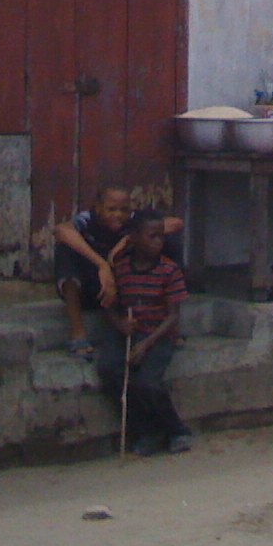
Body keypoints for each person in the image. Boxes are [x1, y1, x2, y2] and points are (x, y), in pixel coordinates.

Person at [97, 209, 194, 456]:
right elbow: (109, 305)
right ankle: (147, 430)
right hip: (129, 332)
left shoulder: (169, 270)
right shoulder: (120, 268)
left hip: (158, 335)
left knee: (148, 383)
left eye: (161, 236)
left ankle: (176, 430)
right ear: (134, 238)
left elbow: (173, 316)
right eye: (152, 237)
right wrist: (119, 323)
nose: (159, 242)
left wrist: (146, 344)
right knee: (110, 371)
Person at [54, 186, 184, 360]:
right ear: (98, 208)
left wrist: (126, 240)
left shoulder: (133, 220)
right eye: (111, 209)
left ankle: (167, 326)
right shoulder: (87, 220)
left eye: (123, 209)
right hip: (95, 288)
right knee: (66, 250)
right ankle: (78, 334)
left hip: (127, 287)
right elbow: (61, 230)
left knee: (162, 239)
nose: (118, 215)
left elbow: (176, 223)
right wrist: (102, 265)